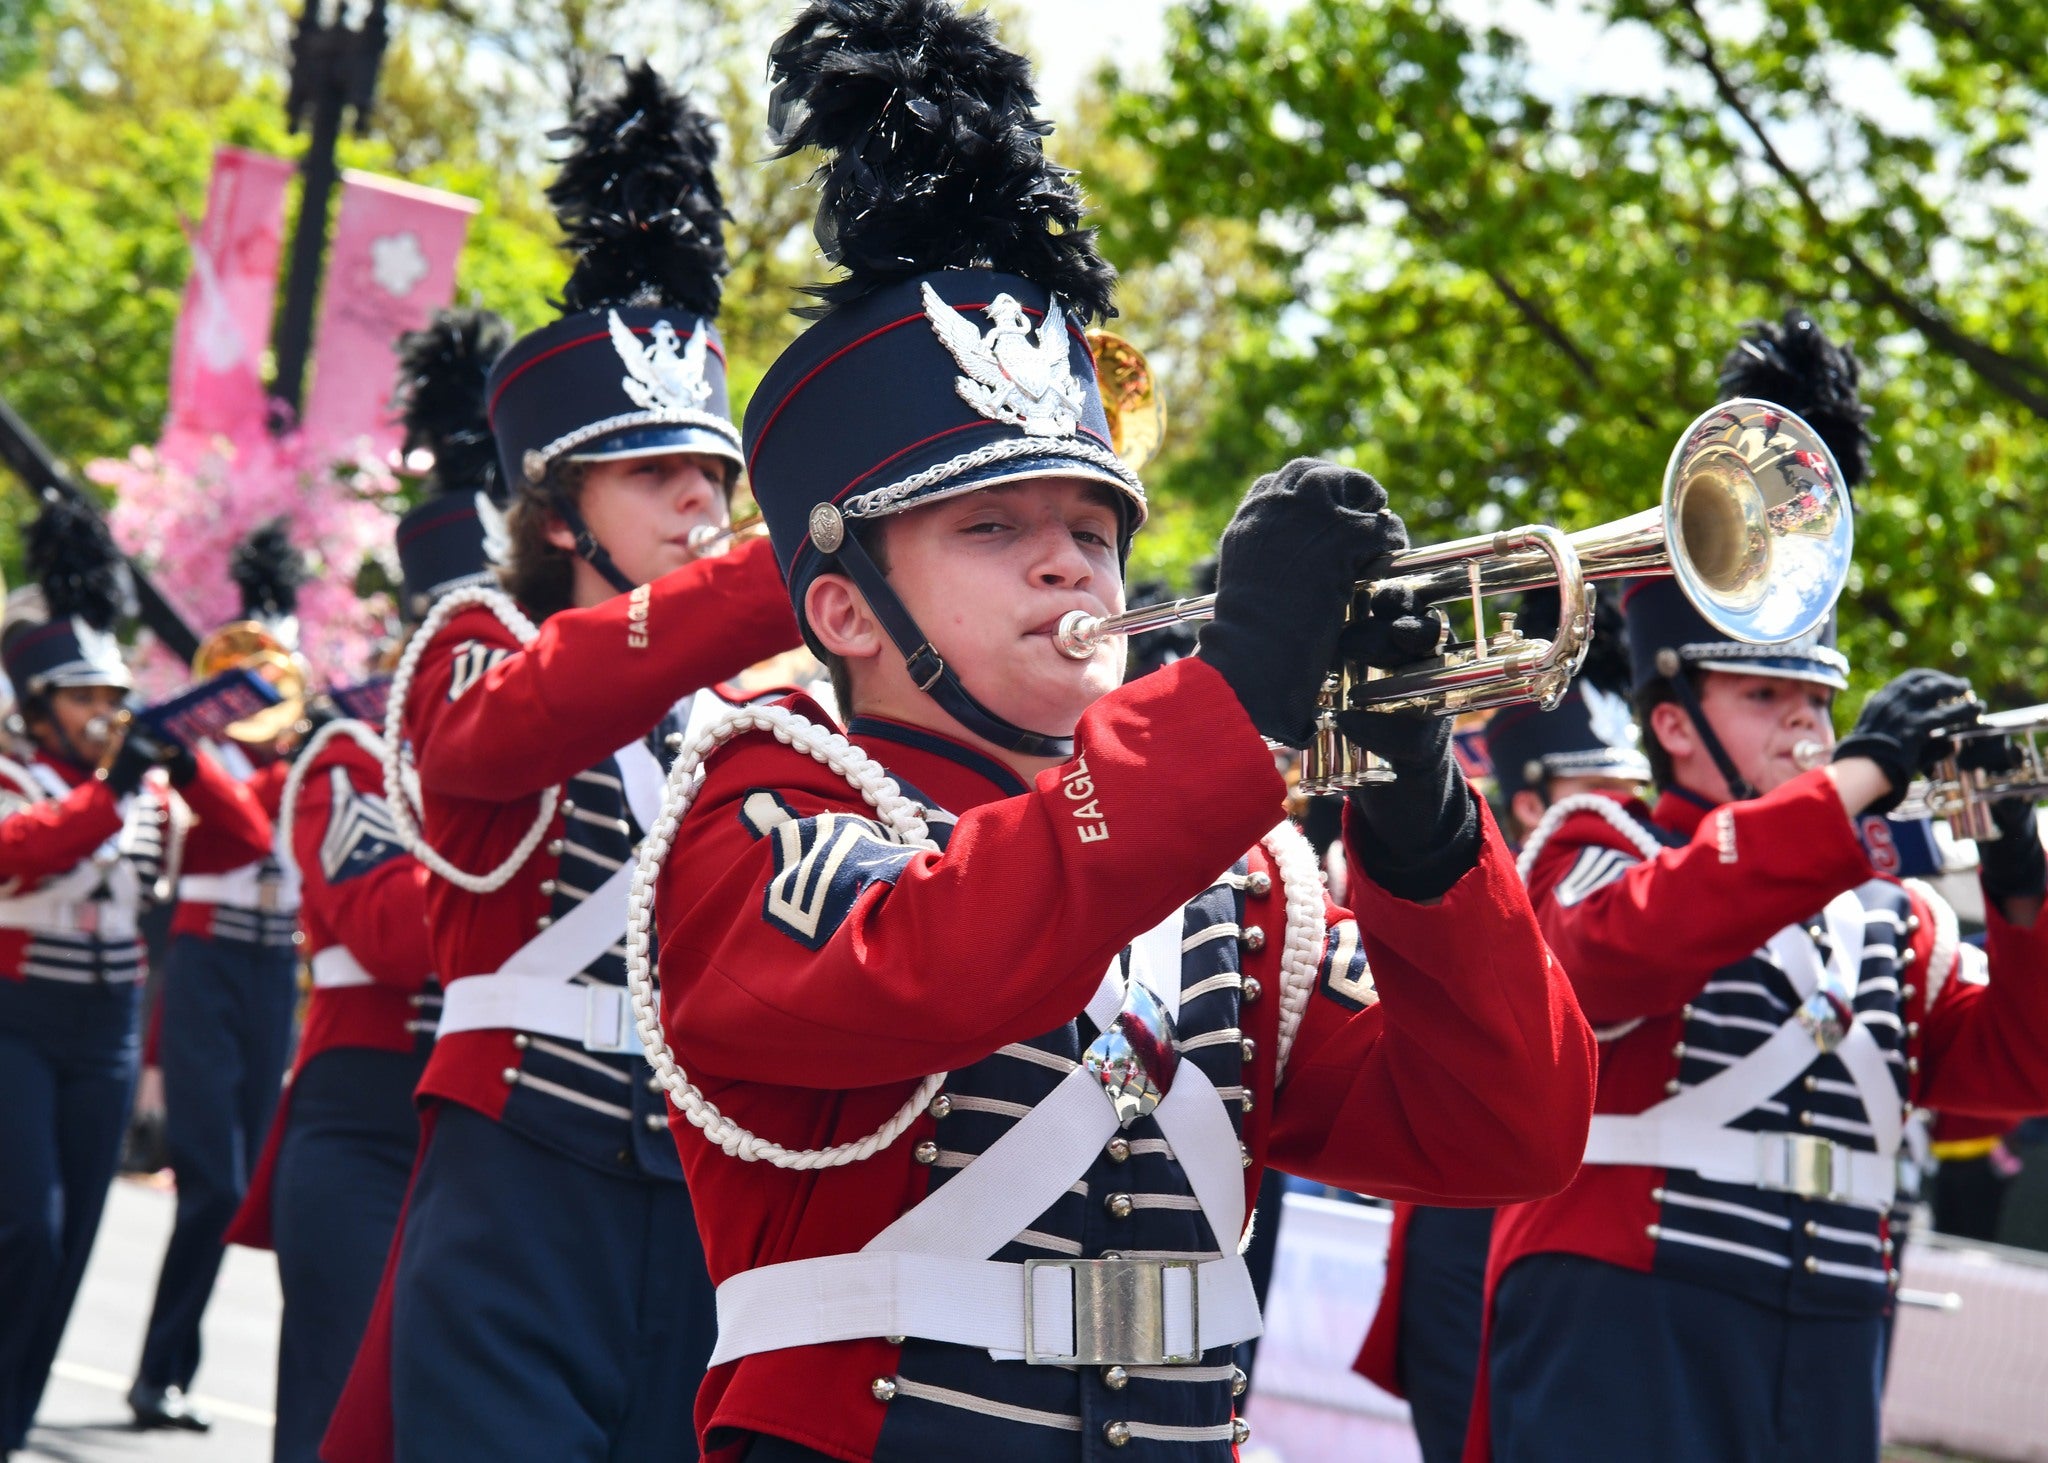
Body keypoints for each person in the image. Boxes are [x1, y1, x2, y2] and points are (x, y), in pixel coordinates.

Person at [633, 5, 1597, 1459]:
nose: (1070, 566)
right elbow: (946, 952)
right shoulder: (763, 793)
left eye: (1096, 527)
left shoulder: (1241, 875)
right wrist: (1232, 704)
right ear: (842, 608)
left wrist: (1425, 826)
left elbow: (1504, 1131)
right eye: (995, 525)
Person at [321, 64, 801, 1463]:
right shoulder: (477, 639)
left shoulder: (757, 702)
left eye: (716, 476)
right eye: (661, 476)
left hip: (708, 1182)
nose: (705, 503)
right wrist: (784, 573)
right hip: (519, 1164)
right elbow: (508, 727)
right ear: (560, 507)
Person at [1477, 310, 2048, 1462]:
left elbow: (2008, 1076)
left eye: (1820, 704)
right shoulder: (1599, 841)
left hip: (1833, 1315)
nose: (1806, 726)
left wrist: (2021, 883)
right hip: (1631, 1307)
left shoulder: (1893, 912)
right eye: (1765, 699)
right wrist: (1855, 782)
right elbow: (1615, 956)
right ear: (1675, 723)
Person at [222, 309, 514, 1463]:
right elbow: (396, 932)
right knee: (334, 1418)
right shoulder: (345, 755)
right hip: (365, 1109)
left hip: (502, 1120)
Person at [0, 498, 272, 1454]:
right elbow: (22, 852)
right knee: (24, 1227)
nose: (104, 716)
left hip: (110, 1024)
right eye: (83, 700)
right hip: (17, 1019)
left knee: (70, 1248)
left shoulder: (142, 780)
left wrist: (183, 761)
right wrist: (115, 786)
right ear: (36, 709)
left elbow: (249, 832)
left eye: (112, 699)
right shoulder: (15, 776)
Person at [1355, 589, 1648, 1463]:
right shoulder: (1563, 875)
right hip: (1470, 1219)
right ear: (1531, 804)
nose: (1625, 811)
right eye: (1600, 791)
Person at [130, 519, 309, 1431]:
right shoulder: (198, 765)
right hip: (206, 960)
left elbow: (274, 825)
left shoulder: (299, 764)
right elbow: (238, 829)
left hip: (274, 966)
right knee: (209, 1177)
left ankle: (166, 1368)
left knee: (239, 1189)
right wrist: (192, 760)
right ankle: (159, 1370)